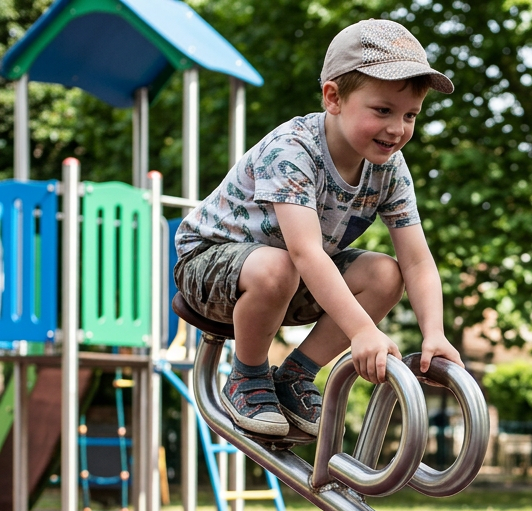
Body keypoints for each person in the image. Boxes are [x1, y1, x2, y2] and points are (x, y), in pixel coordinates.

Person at [174, 19, 462, 438]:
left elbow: (417, 261)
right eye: (382, 110)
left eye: (410, 115)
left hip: (287, 280)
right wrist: (362, 331)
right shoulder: (293, 150)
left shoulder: (389, 169)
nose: (397, 129)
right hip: (209, 269)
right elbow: (307, 253)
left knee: (385, 274)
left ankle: (294, 376)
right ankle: (246, 376)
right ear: (333, 98)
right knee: (279, 266)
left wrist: (433, 333)